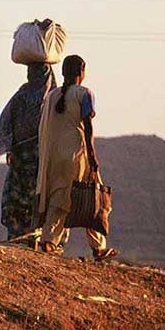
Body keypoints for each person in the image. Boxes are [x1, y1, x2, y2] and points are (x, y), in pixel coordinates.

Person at [36, 55, 117, 260]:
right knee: (94, 198)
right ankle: (98, 247)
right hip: (78, 155)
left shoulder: (52, 96)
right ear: (82, 71)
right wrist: (92, 156)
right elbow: (88, 127)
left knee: (59, 197)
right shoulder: (85, 94)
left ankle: (48, 241)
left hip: (54, 157)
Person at [0, 63, 56, 240]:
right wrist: (10, 148)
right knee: (16, 197)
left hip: (41, 156)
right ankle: (17, 236)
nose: (30, 74)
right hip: (21, 155)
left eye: (34, 71)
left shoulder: (53, 98)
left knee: (39, 197)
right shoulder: (21, 95)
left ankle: (38, 238)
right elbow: (8, 119)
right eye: (29, 70)